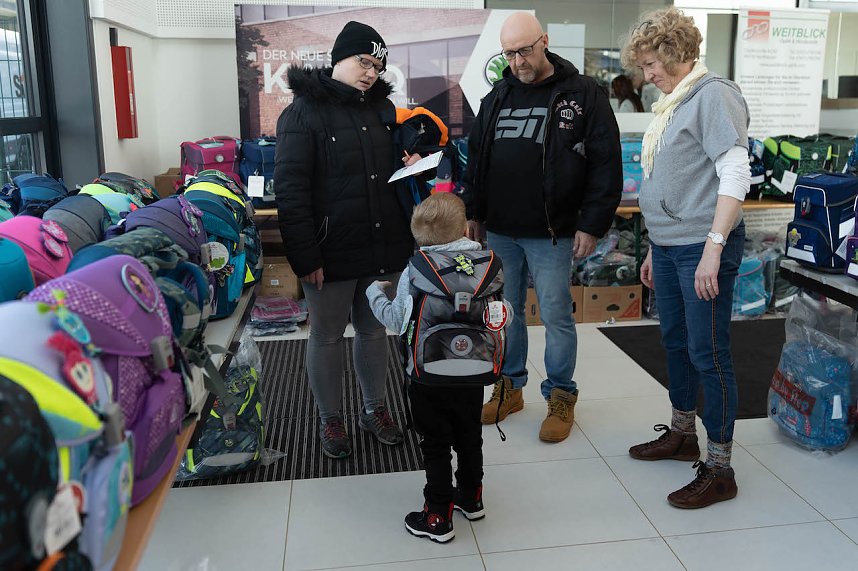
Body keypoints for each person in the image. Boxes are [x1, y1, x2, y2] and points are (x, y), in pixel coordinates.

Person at [462, 11, 622, 443]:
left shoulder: (583, 94)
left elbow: (606, 164)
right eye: (509, 54)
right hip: (500, 231)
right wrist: (474, 211)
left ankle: (561, 395)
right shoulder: (497, 96)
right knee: (504, 315)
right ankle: (510, 387)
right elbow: (476, 158)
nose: (518, 61)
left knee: (555, 316)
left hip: (553, 232)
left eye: (525, 50)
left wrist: (592, 224)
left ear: (545, 41)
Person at [621, 7, 750, 509]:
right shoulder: (673, 103)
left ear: (676, 53)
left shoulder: (713, 95)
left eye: (652, 63)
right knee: (675, 344)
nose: (647, 74)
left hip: (703, 245)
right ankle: (683, 435)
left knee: (710, 354)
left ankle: (720, 468)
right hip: (672, 247)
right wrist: (656, 244)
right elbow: (671, 181)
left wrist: (713, 251)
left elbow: (735, 173)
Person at [274, 21, 419, 459]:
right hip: (330, 252)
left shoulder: (382, 111)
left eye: (378, 65)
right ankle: (330, 418)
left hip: (384, 247)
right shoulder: (301, 113)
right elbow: (291, 190)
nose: (370, 72)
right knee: (327, 336)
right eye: (363, 61)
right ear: (339, 58)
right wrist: (304, 256)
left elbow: (394, 177)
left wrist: (414, 158)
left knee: (375, 332)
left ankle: (374, 410)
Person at [365, 193, 493, 543]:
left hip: (428, 374)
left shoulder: (417, 269)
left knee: (435, 442)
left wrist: (374, 294)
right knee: (470, 434)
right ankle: (471, 497)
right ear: (465, 227)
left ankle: (437, 515)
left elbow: (397, 320)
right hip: (473, 368)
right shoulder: (485, 262)